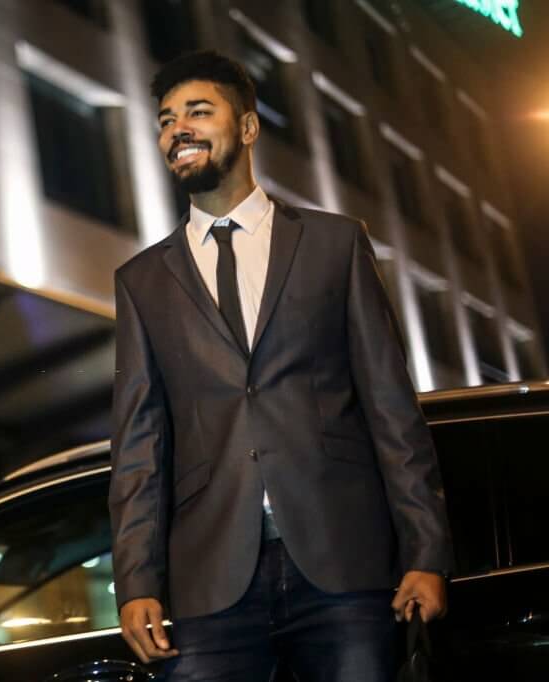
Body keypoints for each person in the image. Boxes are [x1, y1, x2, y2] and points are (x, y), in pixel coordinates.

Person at [109, 50, 454, 681]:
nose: (176, 128)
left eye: (197, 111)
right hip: (208, 583)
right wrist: (136, 581)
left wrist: (425, 551)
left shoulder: (335, 245)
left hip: (344, 569)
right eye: (165, 119)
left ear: (246, 127)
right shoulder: (141, 283)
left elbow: (391, 409)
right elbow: (139, 447)